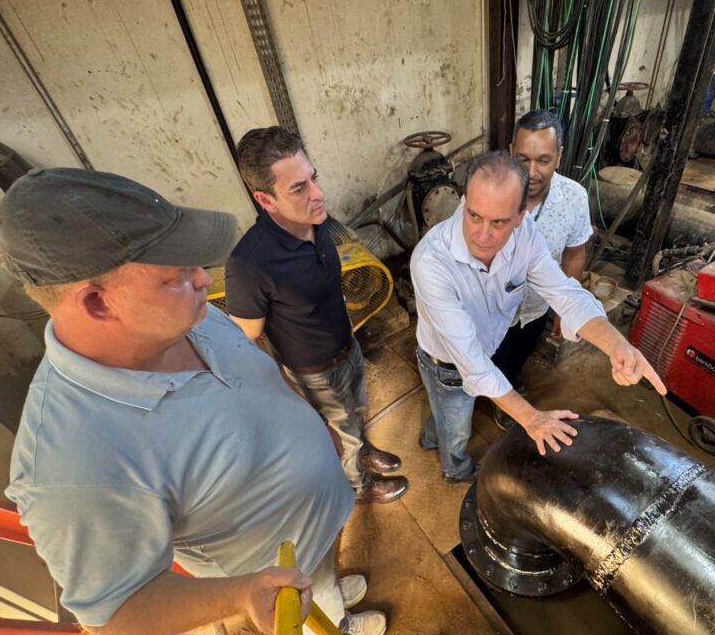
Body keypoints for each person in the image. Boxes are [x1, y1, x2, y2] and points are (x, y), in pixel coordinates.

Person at [0, 168, 386, 635]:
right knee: (316, 607)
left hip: (317, 516)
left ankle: (329, 589)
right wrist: (243, 594)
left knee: (323, 576)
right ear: (98, 303)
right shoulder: (71, 469)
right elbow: (116, 608)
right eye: (176, 273)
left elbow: (253, 366)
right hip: (277, 567)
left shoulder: (181, 316)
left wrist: (309, 422)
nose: (203, 277)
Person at [410, 151, 667, 482]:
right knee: (456, 424)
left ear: (521, 215)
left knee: (447, 413)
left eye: (499, 222)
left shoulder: (525, 236)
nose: (482, 234)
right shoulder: (431, 262)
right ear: (464, 201)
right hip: (445, 363)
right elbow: (471, 364)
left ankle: (434, 434)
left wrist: (617, 344)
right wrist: (531, 418)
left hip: (485, 348)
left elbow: (563, 292)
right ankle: (455, 469)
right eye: (474, 215)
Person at [226, 127, 408, 505]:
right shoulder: (249, 264)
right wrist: (286, 390)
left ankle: (363, 448)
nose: (318, 194)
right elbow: (243, 341)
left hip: (348, 345)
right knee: (342, 432)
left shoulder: (318, 222)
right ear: (265, 199)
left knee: (355, 413)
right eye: (298, 188)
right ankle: (358, 486)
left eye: (314, 178)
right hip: (316, 371)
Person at [489, 109, 593, 429]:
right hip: (490, 309)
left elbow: (574, 255)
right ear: (510, 152)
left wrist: (565, 307)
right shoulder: (487, 191)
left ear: (559, 156)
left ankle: (507, 394)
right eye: (523, 159)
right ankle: (483, 393)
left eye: (543, 160)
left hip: (535, 308)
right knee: (485, 358)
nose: (532, 172)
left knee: (519, 354)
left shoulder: (575, 198)